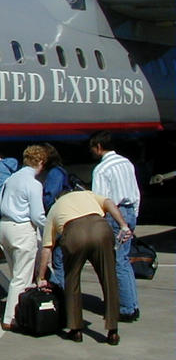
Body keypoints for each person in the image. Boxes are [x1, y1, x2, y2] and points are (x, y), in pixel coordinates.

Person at [37, 190, 132, 345]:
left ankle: (75, 329)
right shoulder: (87, 194)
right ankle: (113, 330)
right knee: (109, 278)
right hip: (100, 228)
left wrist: (41, 277)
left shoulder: (54, 208)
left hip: (74, 233)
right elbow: (109, 202)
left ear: (57, 198)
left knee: (72, 280)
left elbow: (47, 248)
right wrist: (123, 225)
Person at [89, 131, 141, 322]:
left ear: (99, 147)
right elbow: (135, 191)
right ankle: (131, 303)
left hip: (115, 214)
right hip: (129, 210)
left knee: (117, 261)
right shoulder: (126, 163)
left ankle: (126, 307)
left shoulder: (102, 169)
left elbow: (100, 198)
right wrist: (133, 215)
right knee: (124, 260)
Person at [0, 145, 47, 330]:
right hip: (21, 229)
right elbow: (37, 215)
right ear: (40, 162)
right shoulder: (34, 184)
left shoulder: (12, 178)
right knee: (22, 279)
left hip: (4, 226)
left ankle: (16, 314)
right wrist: (51, 226)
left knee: (15, 274)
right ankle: (11, 318)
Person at [40, 143, 71, 289]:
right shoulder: (60, 171)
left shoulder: (54, 173)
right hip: (63, 218)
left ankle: (61, 292)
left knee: (57, 258)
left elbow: (50, 196)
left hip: (57, 218)